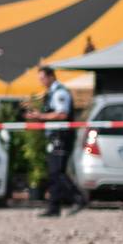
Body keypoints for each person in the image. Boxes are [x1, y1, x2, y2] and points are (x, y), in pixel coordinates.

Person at [23, 64, 86, 217]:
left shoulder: (59, 93)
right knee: (54, 172)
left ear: (51, 76)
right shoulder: (51, 93)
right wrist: (37, 116)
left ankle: (78, 198)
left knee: (57, 171)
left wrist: (40, 116)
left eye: (43, 78)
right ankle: (54, 207)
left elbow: (62, 114)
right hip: (55, 136)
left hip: (61, 136)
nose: (41, 82)